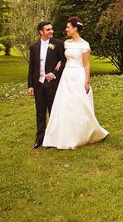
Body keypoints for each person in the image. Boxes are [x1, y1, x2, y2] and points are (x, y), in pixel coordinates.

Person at [42, 17, 108, 149]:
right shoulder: (66, 43)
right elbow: (63, 57)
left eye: (68, 27)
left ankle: (81, 134)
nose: (66, 29)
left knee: (79, 104)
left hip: (78, 75)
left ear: (75, 28)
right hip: (67, 76)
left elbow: (86, 64)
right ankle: (61, 135)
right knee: (64, 104)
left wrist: (87, 81)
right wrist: (60, 62)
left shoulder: (84, 45)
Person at [27, 21, 66, 149]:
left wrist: (54, 73)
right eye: (48, 29)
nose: (51, 31)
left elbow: (64, 62)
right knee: (40, 112)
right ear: (41, 32)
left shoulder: (58, 44)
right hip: (38, 84)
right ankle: (40, 139)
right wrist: (30, 85)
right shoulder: (34, 47)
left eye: (51, 29)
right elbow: (32, 67)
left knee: (53, 111)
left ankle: (54, 138)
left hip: (52, 84)